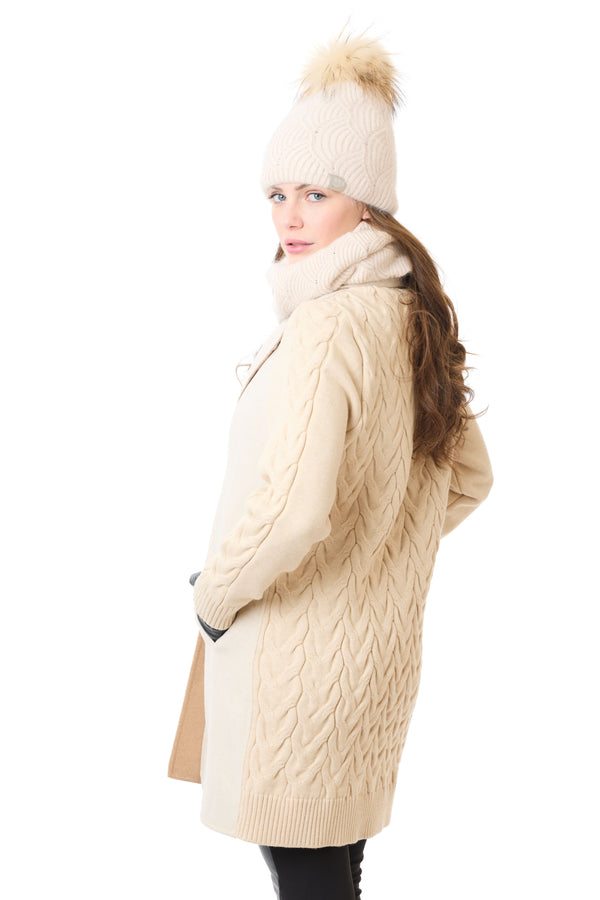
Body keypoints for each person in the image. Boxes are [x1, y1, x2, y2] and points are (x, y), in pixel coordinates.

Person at [168, 30, 493, 900]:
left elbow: (294, 510)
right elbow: (468, 478)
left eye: (317, 194)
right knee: (335, 869)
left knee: (310, 875)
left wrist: (214, 595)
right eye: (278, 194)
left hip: (298, 666)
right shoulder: (414, 320)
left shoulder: (326, 326)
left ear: (370, 207)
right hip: (372, 663)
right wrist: (378, 545)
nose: (290, 217)